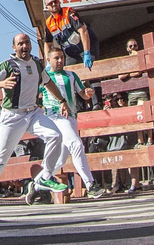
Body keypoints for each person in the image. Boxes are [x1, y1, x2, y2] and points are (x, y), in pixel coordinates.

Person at [0, 33, 72, 209]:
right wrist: (2, 84)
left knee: (55, 135)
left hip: (33, 112)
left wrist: (62, 100)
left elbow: (48, 83)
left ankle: (45, 176)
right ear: (14, 48)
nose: (24, 47)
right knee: (2, 156)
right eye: (20, 44)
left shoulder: (37, 64)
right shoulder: (7, 65)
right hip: (12, 116)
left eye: (27, 43)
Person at [40, 46, 107, 199]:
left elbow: (82, 93)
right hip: (55, 117)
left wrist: (87, 93)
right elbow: (34, 95)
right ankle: (90, 184)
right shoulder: (44, 77)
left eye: (61, 57)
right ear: (48, 60)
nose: (60, 61)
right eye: (56, 58)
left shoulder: (71, 75)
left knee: (60, 159)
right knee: (76, 145)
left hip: (71, 118)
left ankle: (36, 184)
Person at [41, 0, 96, 70]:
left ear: (59, 2)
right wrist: (48, 61)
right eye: (50, 3)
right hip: (70, 51)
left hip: (86, 46)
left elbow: (83, 31)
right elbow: (47, 43)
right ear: (47, 7)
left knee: (91, 69)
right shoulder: (49, 23)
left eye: (55, 1)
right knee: (70, 72)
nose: (54, 4)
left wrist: (87, 52)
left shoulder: (69, 13)